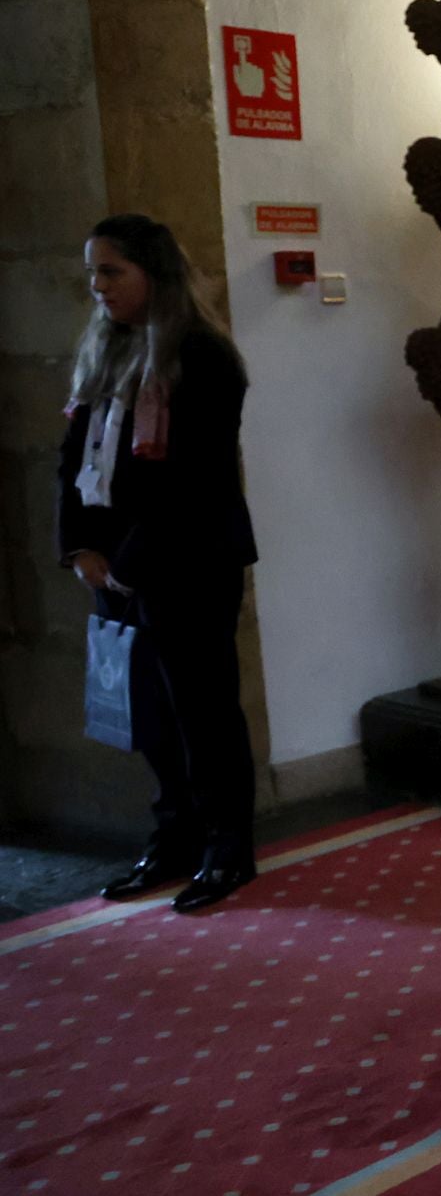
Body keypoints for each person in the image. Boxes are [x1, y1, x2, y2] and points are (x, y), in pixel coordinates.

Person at [57, 214, 260, 914]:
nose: (98, 286)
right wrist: (81, 547)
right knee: (148, 712)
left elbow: (196, 480)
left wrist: (129, 561)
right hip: (113, 567)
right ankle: (173, 836)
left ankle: (227, 846)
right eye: (92, 273)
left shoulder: (202, 356)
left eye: (111, 271)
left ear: (154, 273)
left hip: (189, 562)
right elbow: (74, 461)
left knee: (201, 711)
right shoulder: (106, 351)